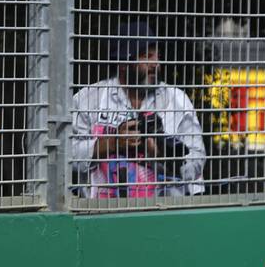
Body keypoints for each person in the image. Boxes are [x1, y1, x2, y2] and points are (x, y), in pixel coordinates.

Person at [69, 21, 206, 198]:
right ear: (124, 63)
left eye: (157, 56)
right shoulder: (89, 98)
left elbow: (197, 159)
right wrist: (111, 143)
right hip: (101, 213)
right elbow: (66, 155)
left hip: (165, 212)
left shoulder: (177, 100)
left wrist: (159, 154)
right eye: (146, 56)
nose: (155, 63)